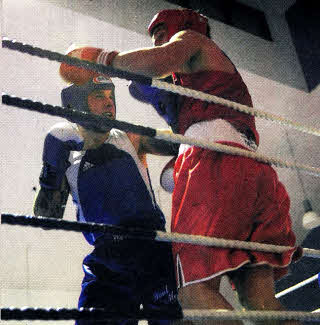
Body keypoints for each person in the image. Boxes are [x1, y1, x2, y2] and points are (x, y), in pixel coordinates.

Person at [59, 9, 301, 324]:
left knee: (194, 295)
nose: (158, 39)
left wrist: (104, 59)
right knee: (258, 300)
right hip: (252, 171)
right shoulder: (199, 86)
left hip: (215, 167)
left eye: (161, 32)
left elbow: (159, 60)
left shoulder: (192, 40)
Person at [33, 75, 182, 325]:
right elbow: (46, 219)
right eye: (99, 97)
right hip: (108, 258)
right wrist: (50, 172)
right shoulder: (68, 154)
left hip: (153, 248)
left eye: (111, 97)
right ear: (79, 103)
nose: (109, 103)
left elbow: (183, 141)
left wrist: (169, 104)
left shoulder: (131, 137)